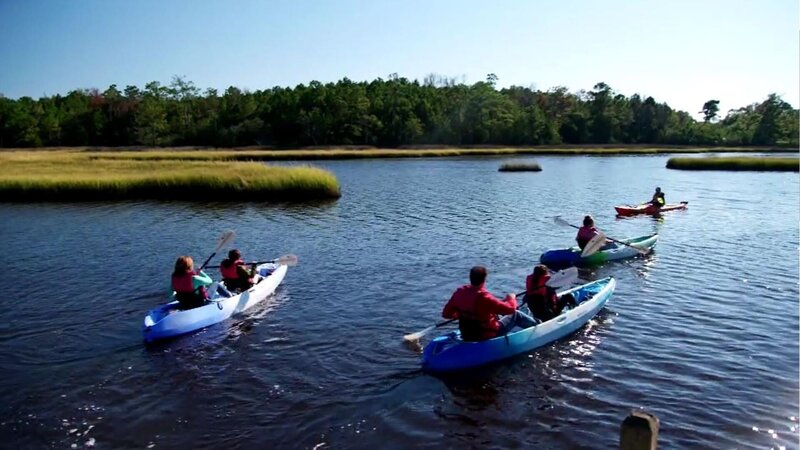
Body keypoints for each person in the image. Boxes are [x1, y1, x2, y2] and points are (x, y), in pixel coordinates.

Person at [442, 266, 538, 342]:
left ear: (470, 278)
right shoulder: (484, 297)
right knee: (516, 314)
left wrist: (464, 314)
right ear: (484, 279)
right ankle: (540, 328)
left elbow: (446, 314)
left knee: (497, 314)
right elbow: (510, 309)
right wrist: (511, 298)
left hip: (467, 333)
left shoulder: (459, 293)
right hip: (487, 334)